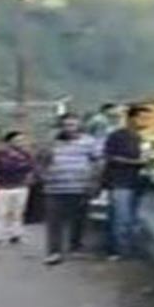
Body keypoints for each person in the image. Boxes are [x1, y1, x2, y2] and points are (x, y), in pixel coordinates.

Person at [40, 112, 101, 265]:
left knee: (79, 220)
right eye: (66, 125)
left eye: (73, 125)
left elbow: (98, 161)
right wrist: (43, 175)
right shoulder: (52, 142)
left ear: (79, 126)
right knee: (54, 222)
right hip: (55, 188)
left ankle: (75, 247)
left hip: (80, 187)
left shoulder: (89, 142)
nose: (69, 128)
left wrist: (94, 181)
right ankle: (54, 252)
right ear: (61, 126)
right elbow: (41, 160)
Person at [101, 105, 153, 261]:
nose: (146, 121)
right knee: (120, 218)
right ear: (131, 118)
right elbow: (110, 157)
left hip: (138, 182)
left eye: (148, 118)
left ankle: (128, 249)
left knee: (133, 219)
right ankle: (117, 250)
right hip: (120, 182)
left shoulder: (143, 138)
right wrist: (135, 162)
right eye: (143, 118)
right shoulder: (117, 136)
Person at [0, 130, 36, 247]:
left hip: (20, 186)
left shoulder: (26, 154)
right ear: (9, 142)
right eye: (17, 140)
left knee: (18, 213)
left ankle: (16, 235)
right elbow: (5, 167)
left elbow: (31, 167)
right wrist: (20, 165)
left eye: (22, 140)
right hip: (3, 187)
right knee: (1, 213)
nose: (20, 142)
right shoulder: (1, 154)